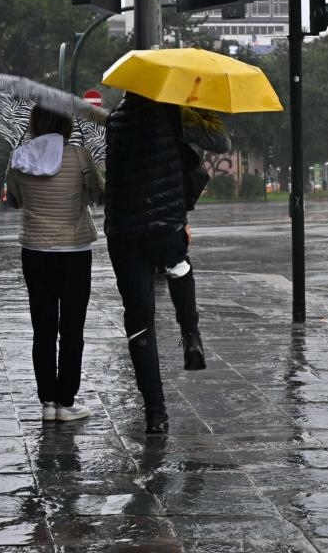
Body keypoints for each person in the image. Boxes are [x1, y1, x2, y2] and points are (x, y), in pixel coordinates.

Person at [104, 92, 230, 434]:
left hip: (124, 233)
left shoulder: (115, 119)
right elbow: (220, 141)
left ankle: (155, 413)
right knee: (180, 267)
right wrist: (198, 104)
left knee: (139, 320)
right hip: (167, 226)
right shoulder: (176, 113)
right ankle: (190, 333)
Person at [6, 106, 104, 422]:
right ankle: (66, 400)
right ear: (66, 124)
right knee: (72, 328)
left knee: (43, 327)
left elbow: (15, 200)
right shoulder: (79, 156)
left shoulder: (19, 157)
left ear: (34, 124)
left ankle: (47, 402)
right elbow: (98, 195)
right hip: (74, 251)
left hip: (35, 250)